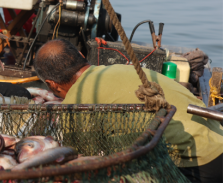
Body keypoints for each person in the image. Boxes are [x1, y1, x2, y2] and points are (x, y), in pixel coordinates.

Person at [33, 39, 223, 183]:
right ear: (82, 56)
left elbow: (83, 158)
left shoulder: (75, 106)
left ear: (51, 85)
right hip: (218, 137)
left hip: (199, 163)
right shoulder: (119, 69)